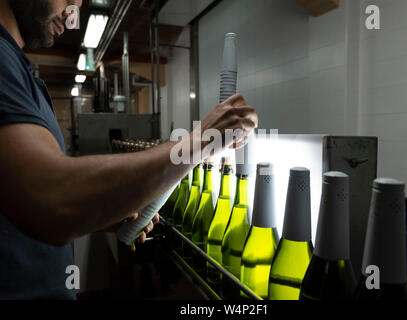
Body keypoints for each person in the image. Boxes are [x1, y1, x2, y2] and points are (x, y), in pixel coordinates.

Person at [0, 0, 258, 299]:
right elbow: (51, 198)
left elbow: (21, 205)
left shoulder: (17, 66)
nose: (74, 10)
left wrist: (100, 212)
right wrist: (199, 143)